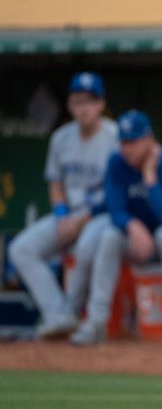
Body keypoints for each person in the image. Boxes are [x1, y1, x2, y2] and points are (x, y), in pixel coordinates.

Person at [70, 110, 162, 345]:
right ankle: (96, 322)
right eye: (124, 142)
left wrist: (150, 178)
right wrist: (132, 225)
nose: (128, 149)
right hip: (143, 241)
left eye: (133, 141)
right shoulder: (116, 163)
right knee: (111, 235)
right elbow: (114, 208)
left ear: (149, 138)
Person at [9, 72, 118, 339]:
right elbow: (56, 183)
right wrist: (60, 215)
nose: (84, 108)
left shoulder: (114, 137)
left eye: (90, 101)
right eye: (78, 101)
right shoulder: (61, 138)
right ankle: (58, 315)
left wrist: (80, 221)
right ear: (70, 105)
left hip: (99, 215)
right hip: (68, 214)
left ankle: (77, 315)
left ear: (101, 104)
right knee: (21, 249)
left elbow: (114, 191)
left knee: (84, 248)